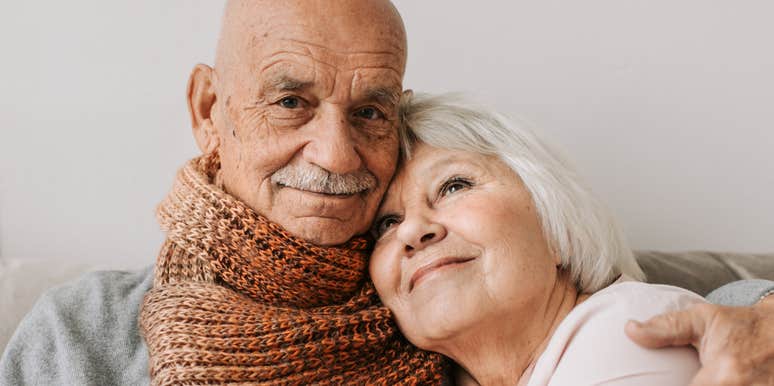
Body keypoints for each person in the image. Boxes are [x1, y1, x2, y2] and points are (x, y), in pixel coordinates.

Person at [1, 1, 772, 385]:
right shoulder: (82, 336)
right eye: (290, 101)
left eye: (370, 112)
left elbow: (688, 303)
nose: (337, 154)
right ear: (210, 112)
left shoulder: (445, 300)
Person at [369, 92, 773, 385]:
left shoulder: (626, 329)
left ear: (555, 222)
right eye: (386, 223)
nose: (412, 230)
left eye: (454, 186)